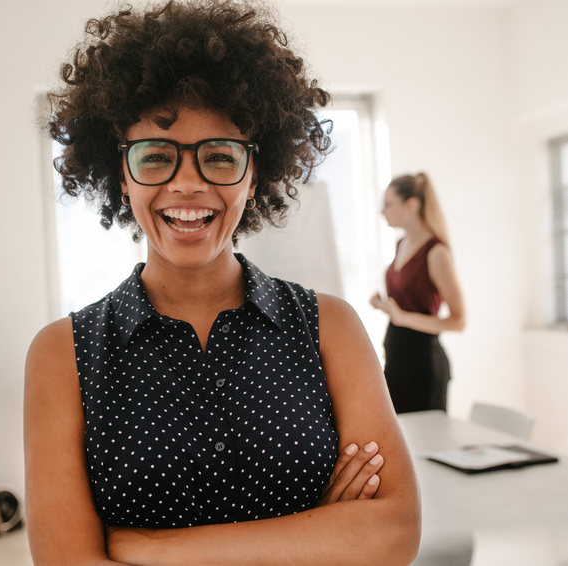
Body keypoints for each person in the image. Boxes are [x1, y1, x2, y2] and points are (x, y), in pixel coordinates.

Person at [24, 1, 420, 564]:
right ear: (122, 175)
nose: (188, 185)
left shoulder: (329, 327)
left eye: (219, 156)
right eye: (157, 157)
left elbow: (393, 533)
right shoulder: (62, 355)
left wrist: (154, 550)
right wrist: (317, 536)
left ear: (253, 173)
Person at [369, 173, 466, 414]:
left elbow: (459, 321)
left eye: (388, 205)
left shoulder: (436, 253)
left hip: (423, 366)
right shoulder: (401, 244)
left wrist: (402, 317)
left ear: (411, 204)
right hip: (397, 359)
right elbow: (406, 305)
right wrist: (385, 306)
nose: (383, 212)